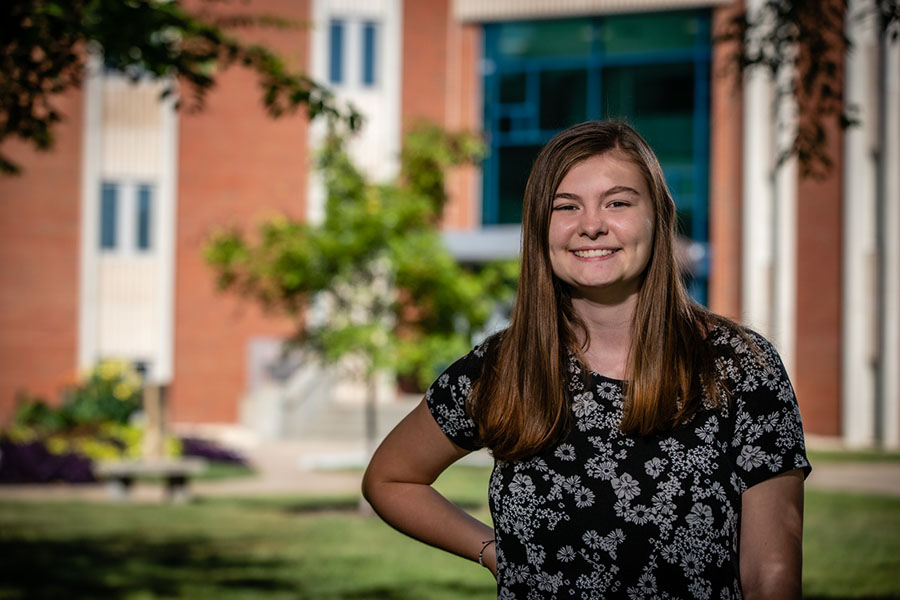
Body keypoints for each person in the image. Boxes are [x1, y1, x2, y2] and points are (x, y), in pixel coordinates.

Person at [362, 120, 811, 599]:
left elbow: (772, 574)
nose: (591, 224)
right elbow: (391, 478)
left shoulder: (738, 367)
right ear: (540, 226)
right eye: (565, 207)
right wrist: (496, 552)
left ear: (657, 216)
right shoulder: (502, 367)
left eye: (617, 202)